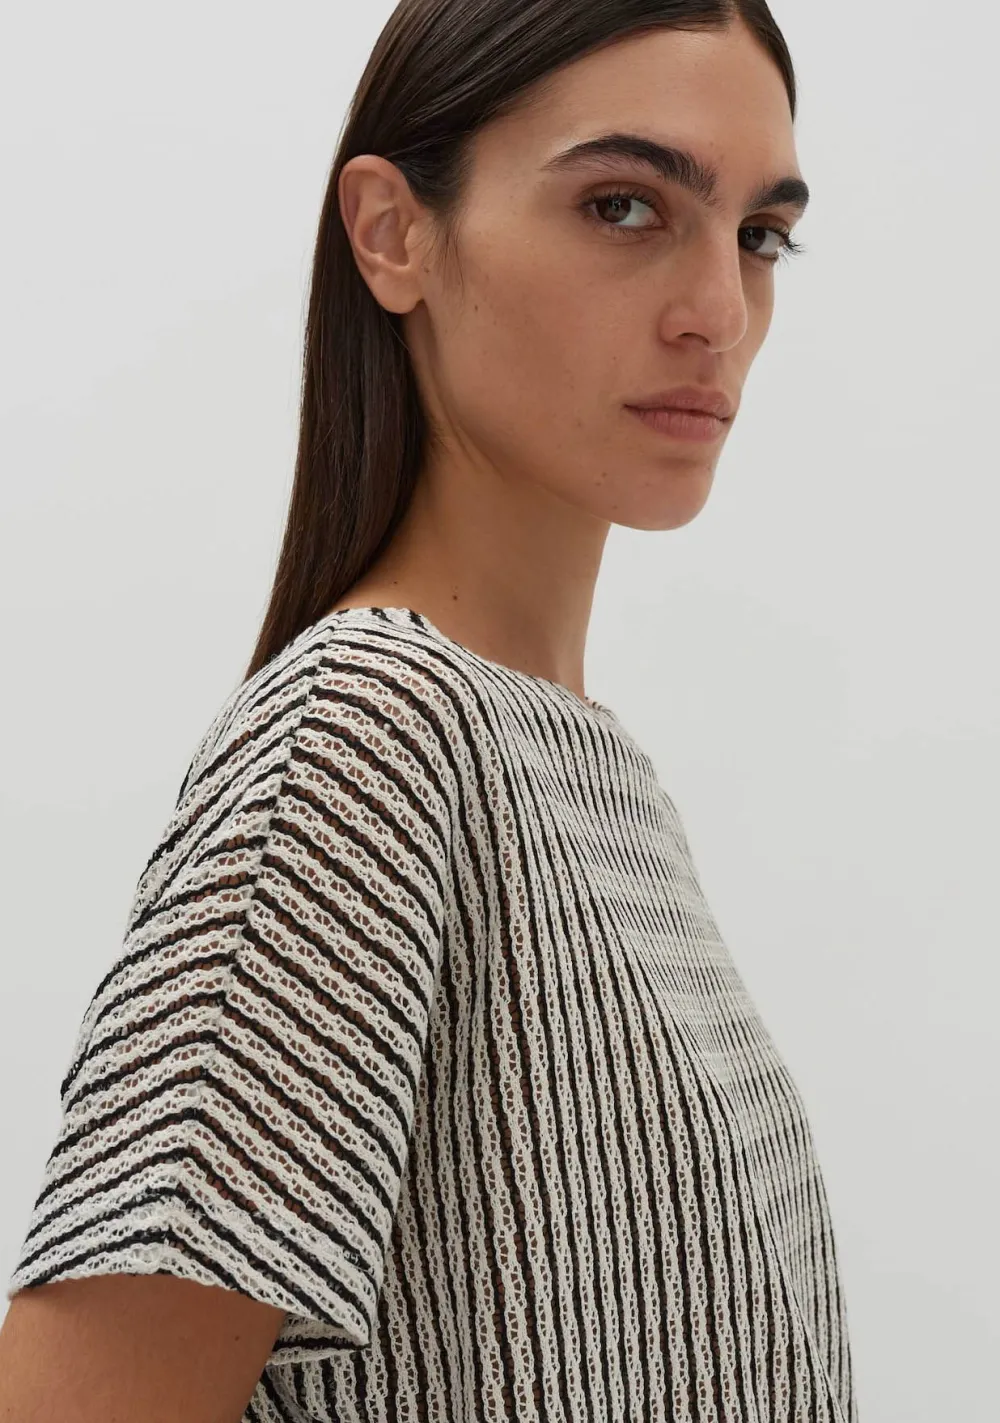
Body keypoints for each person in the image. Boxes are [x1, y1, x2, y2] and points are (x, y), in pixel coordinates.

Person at [0, 2, 858, 1420]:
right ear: (393, 233)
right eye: (625, 206)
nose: (718, 307)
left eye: (761, 234)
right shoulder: (368, 737)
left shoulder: (597, 781)